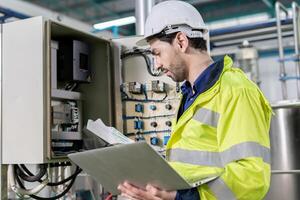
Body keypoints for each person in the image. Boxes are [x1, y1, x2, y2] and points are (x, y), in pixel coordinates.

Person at [118, 1, 272, 199]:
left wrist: (178, 197)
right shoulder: (189, 95)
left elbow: (251, 179)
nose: (157, 65)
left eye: (158, 53)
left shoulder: (235, 90)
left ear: (181, 41)